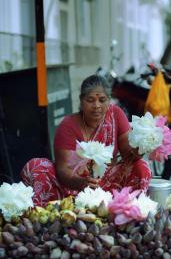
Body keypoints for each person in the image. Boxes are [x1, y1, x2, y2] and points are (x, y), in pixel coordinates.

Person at [21, 75, 152, 206]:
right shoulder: (67, 125)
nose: (96, 105)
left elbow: (128, 155)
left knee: (141, 166)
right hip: (72, 187)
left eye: (102, 100)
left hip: (107, 186)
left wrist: (141, 146)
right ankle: (54, 213)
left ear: (109, 100)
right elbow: (63, 170)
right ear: (81, 101)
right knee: (38, 166)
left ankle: (128, 210)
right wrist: (82, 183)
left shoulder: (115, 115)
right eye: (90, 100)